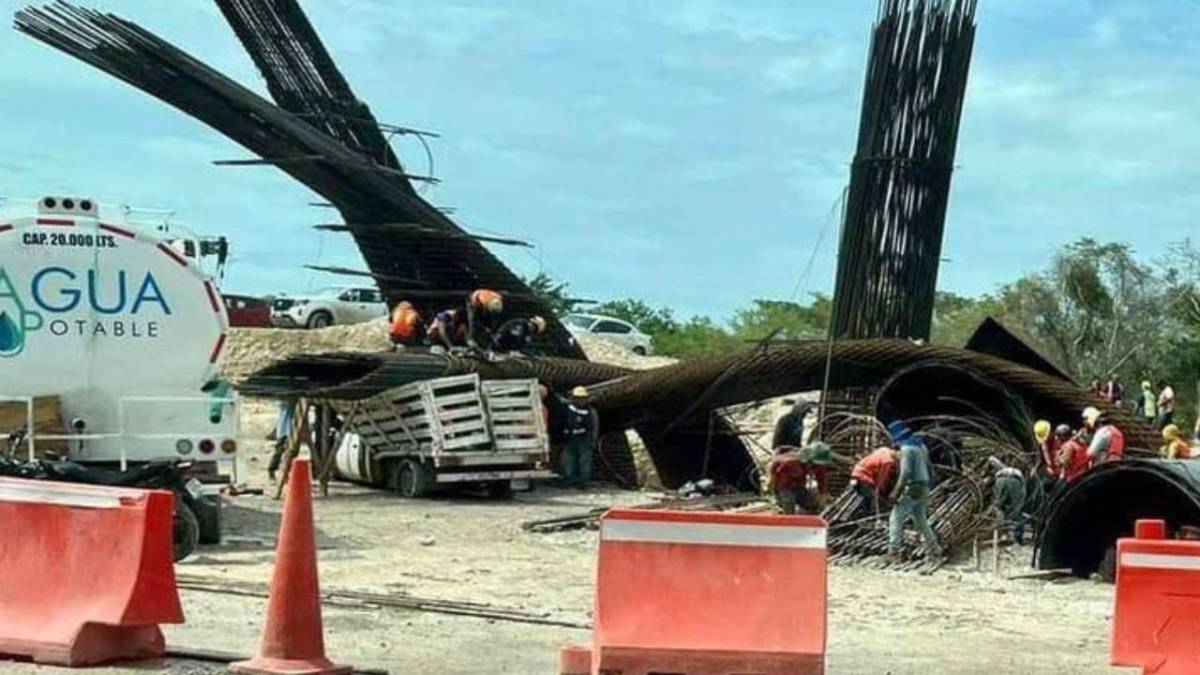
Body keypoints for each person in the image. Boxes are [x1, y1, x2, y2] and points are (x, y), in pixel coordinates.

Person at [885, 421, 943, 560]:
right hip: (924, 486)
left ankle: (893, 552)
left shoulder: (906, 449)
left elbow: (906, 473)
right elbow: (930, 468)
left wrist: (895, 492)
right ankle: (935, 549)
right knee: (921, 520)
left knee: (895, 518)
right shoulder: (921, 446)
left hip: (913, 487)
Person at [767, 442, 834, 515]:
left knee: (811, 505)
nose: (817, 466)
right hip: (784, 486)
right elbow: (774, 476)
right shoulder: (790, 463)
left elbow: (821, 477)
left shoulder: (817, 464)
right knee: (788, 508)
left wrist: (822, 493)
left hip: (799, 485)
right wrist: (772, 488)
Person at [560, 386, 598, 488]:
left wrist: (593, 440)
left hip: (584, 439)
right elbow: (561, 423)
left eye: (582, 398)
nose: (580, 400)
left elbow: (594, 426)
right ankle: (568, 479)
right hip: (570, 439)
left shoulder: (591, 411)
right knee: (568, 460)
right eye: (577, 398)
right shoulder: (567, 409)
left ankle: (583, 481)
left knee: (585, 461)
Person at [849, 445, 899, 519]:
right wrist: (884, 494)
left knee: (866, 500)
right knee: (876, 500)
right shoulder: (888, 461)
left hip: (856, 473)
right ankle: (871, 518)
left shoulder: (884, 449)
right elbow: (883, 480)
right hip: (864, 477)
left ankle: (861, 518)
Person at [987, 456, 1027, 545]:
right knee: (1017, 509)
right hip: (1015, 481)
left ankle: (1003, 534)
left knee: (999, 507)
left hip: (1000, 479)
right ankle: (1018, 537)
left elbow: (991, 459)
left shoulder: (1001, 469)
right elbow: (1023, 493)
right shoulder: (1019, 473)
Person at [268, 398, 295, 482]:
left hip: (286, 429)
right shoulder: (287, 403)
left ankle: (283, 473)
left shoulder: (286, 404)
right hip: (285, 430)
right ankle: (273, 470)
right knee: (281, 451)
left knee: (285, 452)